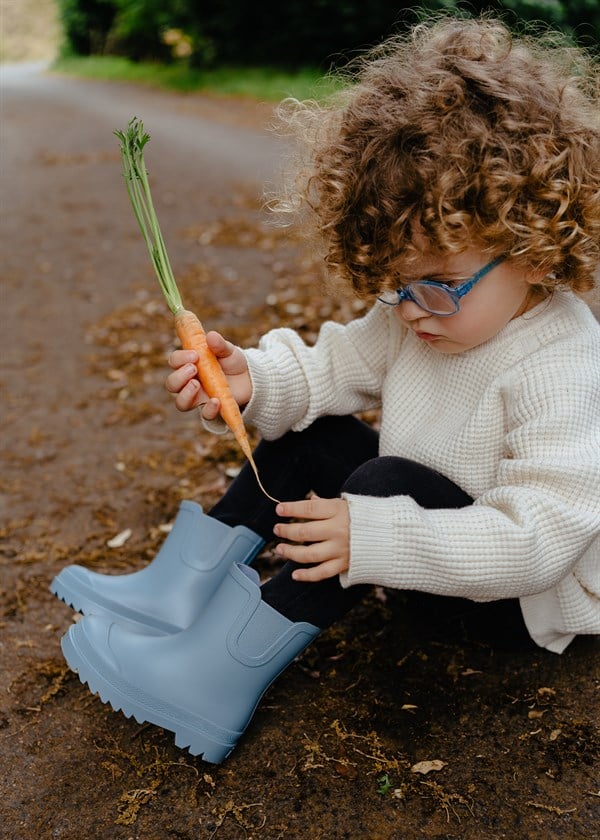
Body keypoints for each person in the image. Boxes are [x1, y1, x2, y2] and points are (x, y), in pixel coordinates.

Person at [52, 15, 599, 763]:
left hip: (511, 603)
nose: (410, 311)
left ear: (535, 249)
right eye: (393, 283)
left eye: (436, 285)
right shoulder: (421, 314)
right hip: (421, 541)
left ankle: (211, 676)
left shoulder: (561, 366)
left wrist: (375, 534)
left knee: (381, 480)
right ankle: (178, 594)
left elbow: (535, 543)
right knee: (311, 435)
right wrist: (249, 382)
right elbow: (329, 369)